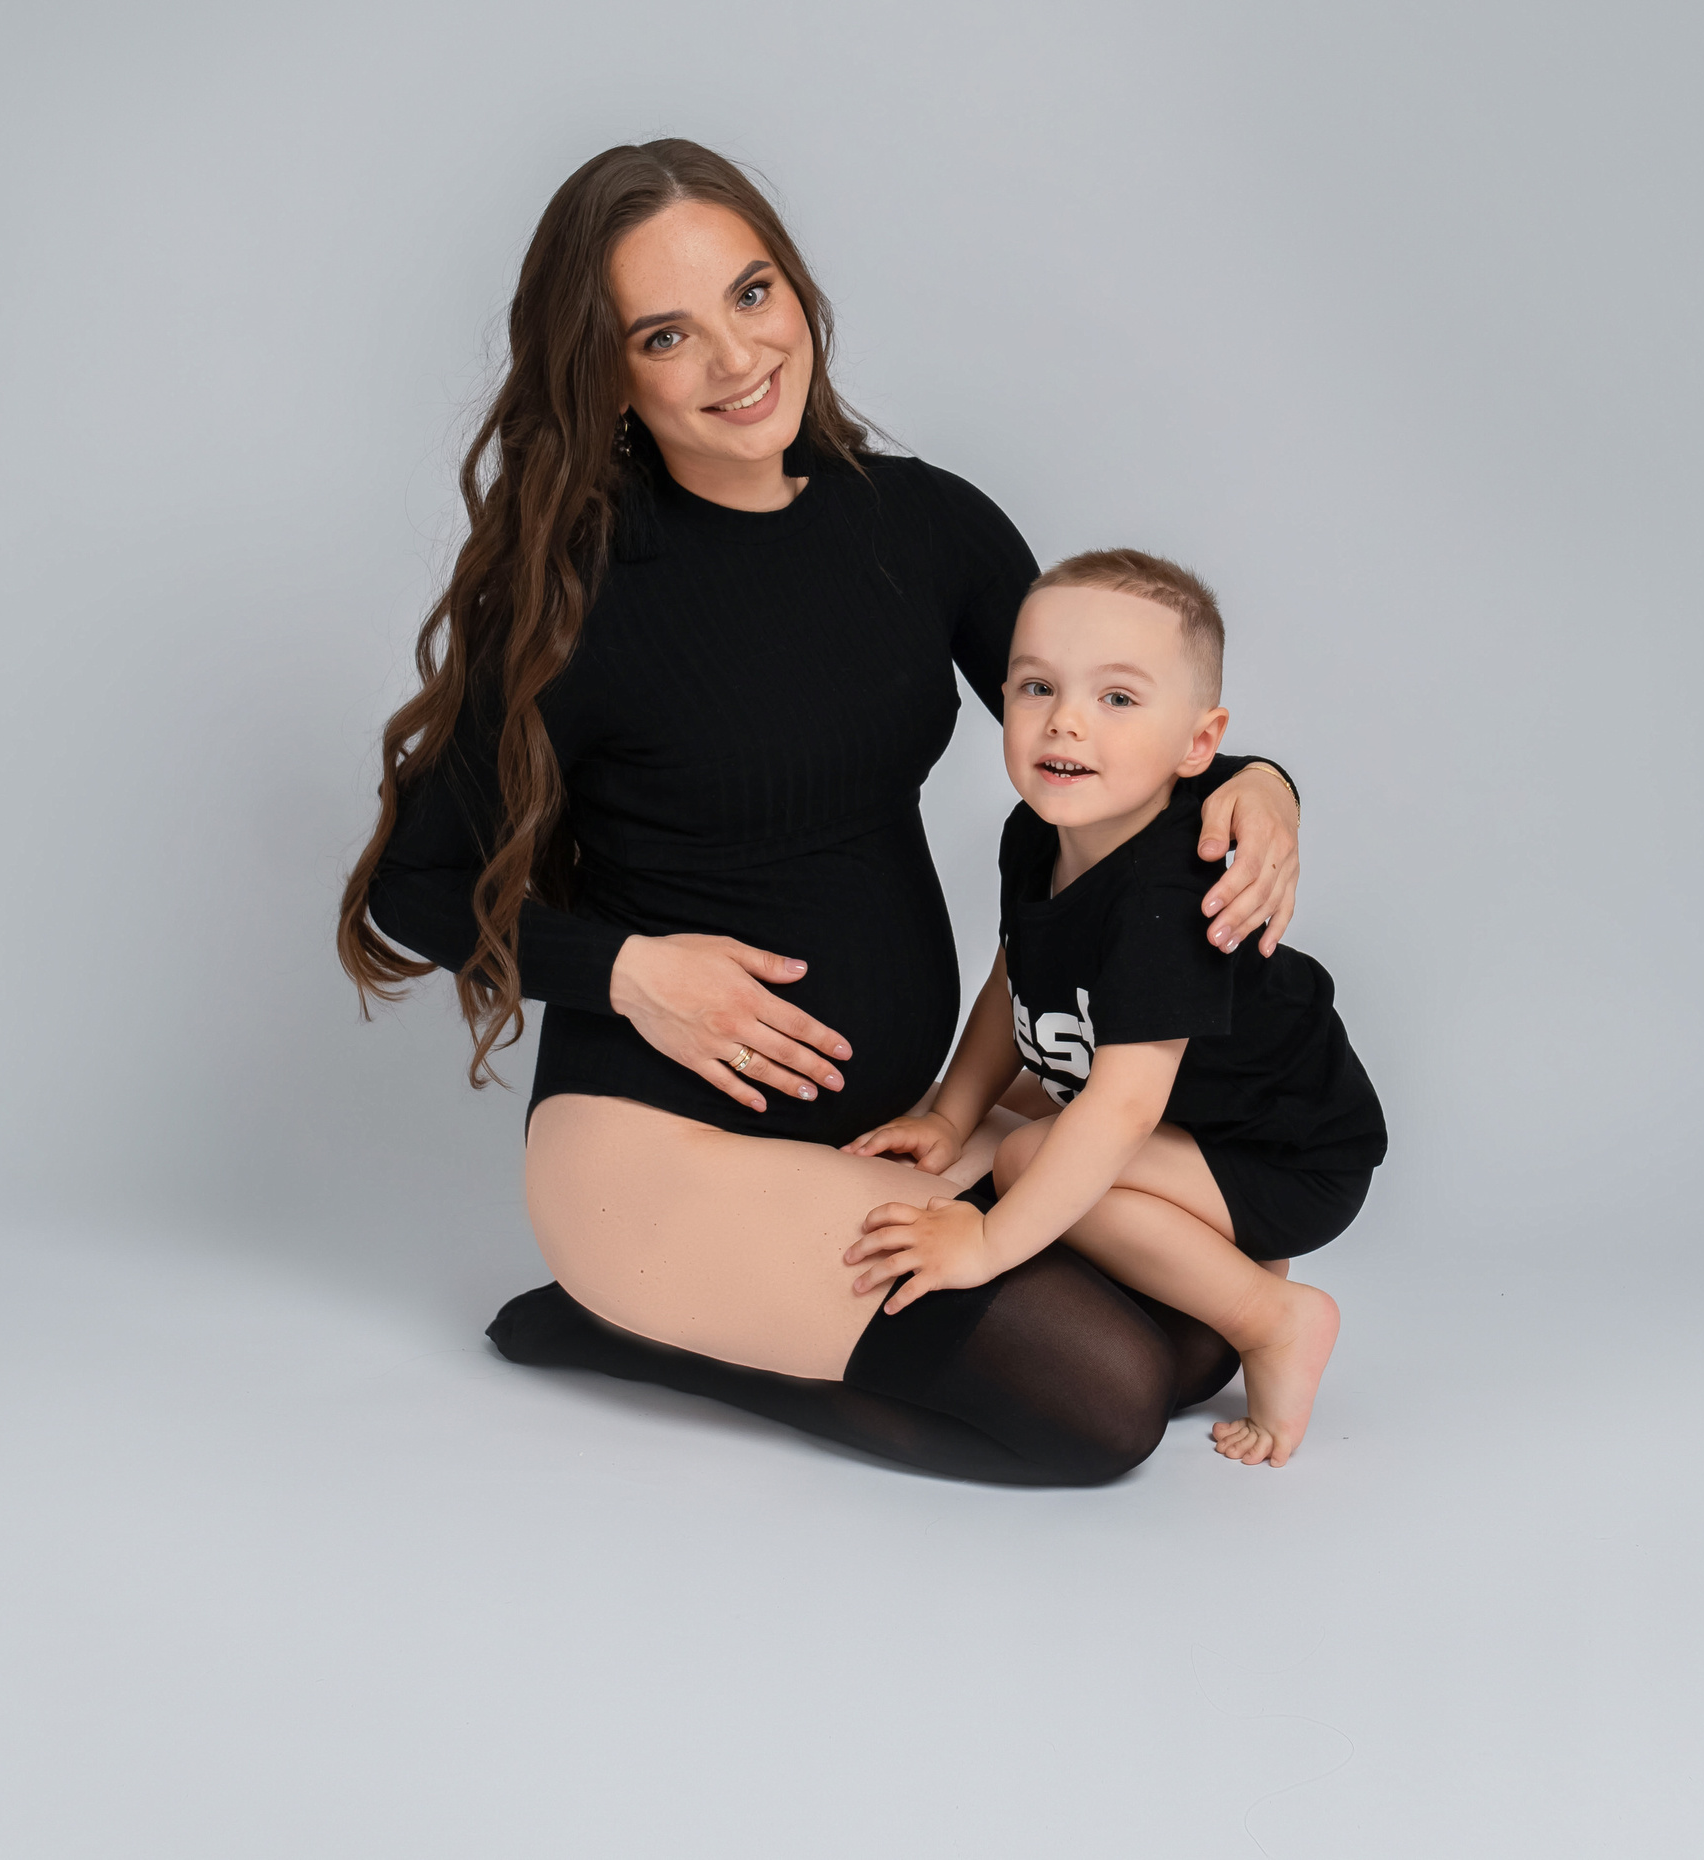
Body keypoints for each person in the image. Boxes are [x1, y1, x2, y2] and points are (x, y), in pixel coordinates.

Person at [338, 139, 1308, 1486]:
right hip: (655, 1151)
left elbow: (1098, 738)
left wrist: (1258, 782)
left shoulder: (926, 527)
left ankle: (703, 1312)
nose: (738, 358)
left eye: (752, 294)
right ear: (607, 374)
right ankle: (626, 1321)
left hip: (879, 1124)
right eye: (666, 334)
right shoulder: (574, 597)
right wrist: (630, 972)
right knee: (1104, 1402)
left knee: (1214, 1318)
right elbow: (411, 889)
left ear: (796, 289)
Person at [842, 549, 1385, 1467]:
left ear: (1199, 746)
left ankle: (1273, 1316)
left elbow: (1126, 1106)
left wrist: (987, 1244)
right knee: (1018, 1125)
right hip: (1199, 1116)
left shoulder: (1165, 895)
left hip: (1291, 1161)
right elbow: (1016, 978)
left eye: (1118, 698)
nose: (1066, 721)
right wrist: (949, 1114)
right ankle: (1216, 1258)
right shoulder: (1037, 833)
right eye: (1037, 687)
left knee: (1029, 1157)